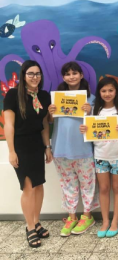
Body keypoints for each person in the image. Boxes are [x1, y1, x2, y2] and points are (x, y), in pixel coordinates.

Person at [4, 60, 52, 247]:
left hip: (37, 145)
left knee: (39, 186)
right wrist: (11, 151)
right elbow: (8, 124)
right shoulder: (13, 94)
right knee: (28, 187)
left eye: (38, 73)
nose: (35, 77)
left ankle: (37, 221)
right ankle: (29, 227)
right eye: (30, 73)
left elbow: (45, 124)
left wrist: (47, 147)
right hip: (21, 145)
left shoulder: (44, 95)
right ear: (23, 75)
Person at [48, 61, 99, 237]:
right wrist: (50, 111)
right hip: (60, 148)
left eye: (75, 73)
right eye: (68, 74)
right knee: (67, 184)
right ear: (63, 77)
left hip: (83, 149)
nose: (72, 76)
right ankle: (71, 216)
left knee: (87, 184)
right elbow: (49, 121)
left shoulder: (91, 98)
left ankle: (87, 216)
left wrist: (90, 110)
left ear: (81, 75)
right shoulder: (56, 98)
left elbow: (97, 125)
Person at [80, 77, 118, 238]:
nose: (107, 94)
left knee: (117, 188)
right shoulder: (94, 110)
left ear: (116, 92)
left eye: (111, 90)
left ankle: (115, 220)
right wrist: (85, 129)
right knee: (104, 188)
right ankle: (105, 221)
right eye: (104, 91)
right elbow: (91, 133)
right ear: (99, 92)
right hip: (100, 156)